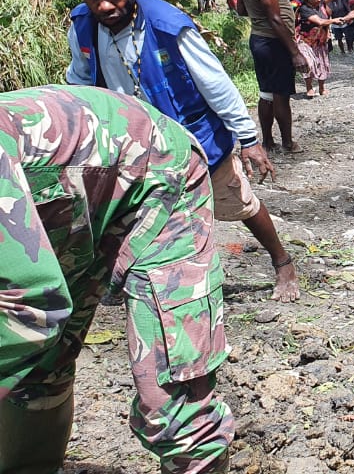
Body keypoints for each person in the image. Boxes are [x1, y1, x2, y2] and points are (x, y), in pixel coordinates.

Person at [0, 85, 235, 473]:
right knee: (39, 368)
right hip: (64, 207)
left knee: (169, 399)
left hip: (156, 174)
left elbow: (31, 304)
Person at [67, 0, 301, 303]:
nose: (105, 6)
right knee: (131, 213)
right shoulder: (83, 25)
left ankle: (282, 261)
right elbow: (80, 81)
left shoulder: (166, 25)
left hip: (193, 133)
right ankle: (151, 279)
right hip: (131, 140)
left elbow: (215, 82)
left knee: (238, 200)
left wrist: (249, 139)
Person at [237, 0, 308, 154]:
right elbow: (275, 19)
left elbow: (240, 9)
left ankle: (267, 141)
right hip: (274, 43)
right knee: (281, 95)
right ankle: (287, 142)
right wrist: (295, 52)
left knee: (266, 93)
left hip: (259, 40)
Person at [296, 0, 339, 98]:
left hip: (320, 41)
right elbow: (320, 22)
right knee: (309, 63)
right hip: (306, 41)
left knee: (322, 64)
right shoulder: (304, 9)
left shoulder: (321, 4)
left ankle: (321, 88)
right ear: (308, 0)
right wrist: (334, 20)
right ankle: (309, 88)